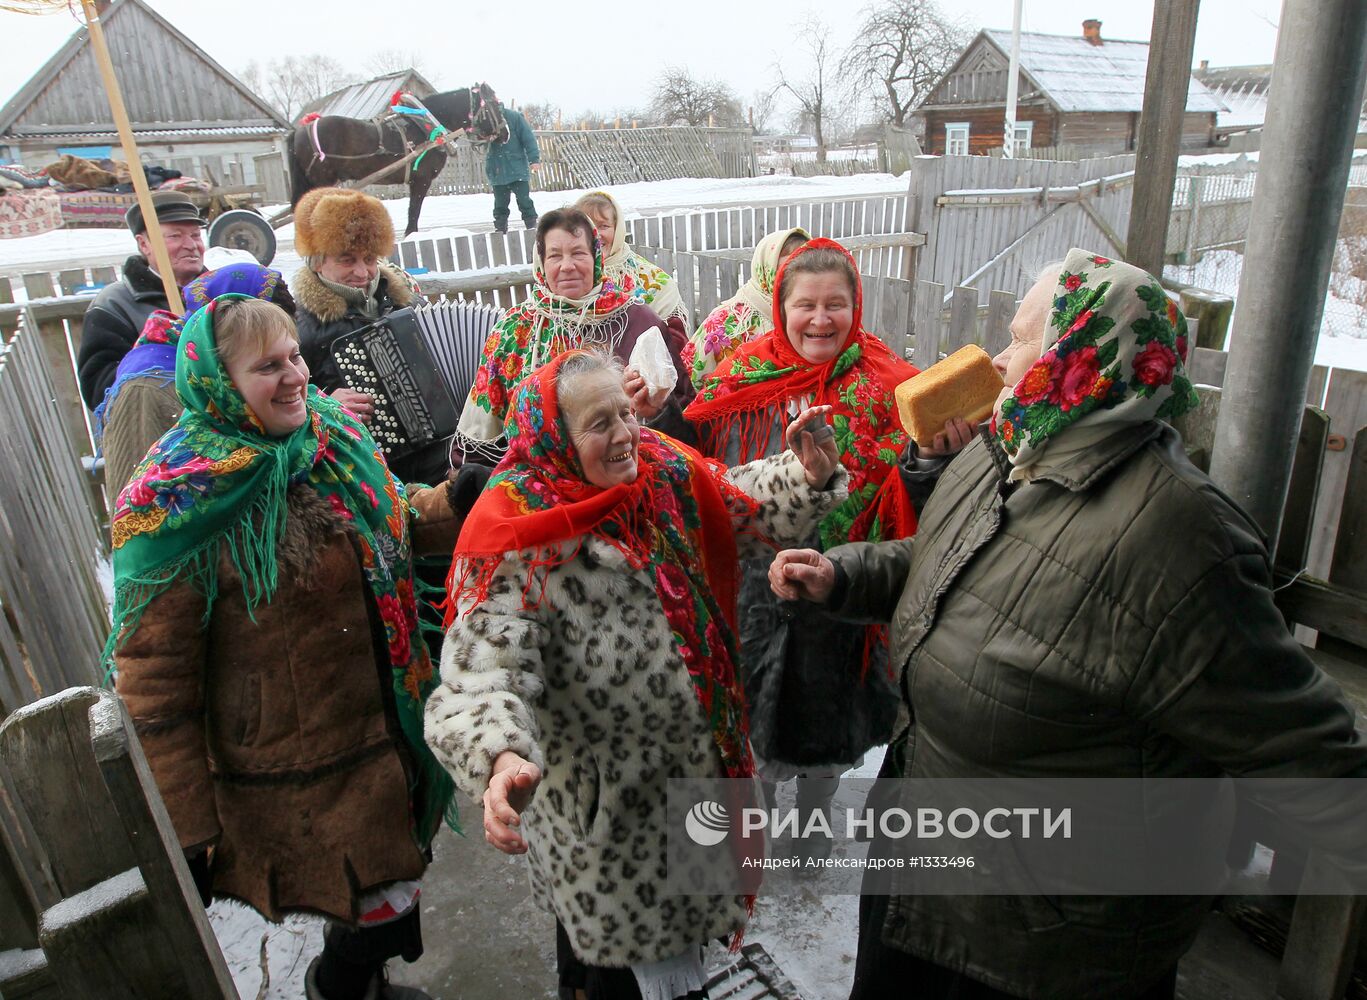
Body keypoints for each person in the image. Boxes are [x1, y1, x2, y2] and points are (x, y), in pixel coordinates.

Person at [767, 248, 1367, 1000]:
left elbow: (1309, 759)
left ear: (1081, 356)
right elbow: (949, 555)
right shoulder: (1012, 446)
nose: (1000, 358)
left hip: (1043, 934)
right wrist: (844, 574)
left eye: (1022, 339)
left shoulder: (1178, 540)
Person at [426, 348, 849, 1000]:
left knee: (632, 945)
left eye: (625, 412)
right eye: (598, 423)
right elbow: (482, 671)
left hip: (692, 776)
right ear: (554, 439)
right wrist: (499, 754)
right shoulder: (518, 535)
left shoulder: (660, 471)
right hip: (608, 818)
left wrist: (805, 473)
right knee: (635, 963)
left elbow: (734, 501)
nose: (624, 432)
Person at [109, 295, 487, 1000]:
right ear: (218, 382)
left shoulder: (331, 438)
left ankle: (360, 981)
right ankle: (338, 988)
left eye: (293, 358)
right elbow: (154, 677)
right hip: (300, 764)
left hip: (393, 720)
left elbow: (393, 521)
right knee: (364, 901)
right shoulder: (176, 498)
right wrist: (186, 827)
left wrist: (455, 503)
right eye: (265, 367)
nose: (292, 378)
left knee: (388, 886)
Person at [685, 237, 921, 852]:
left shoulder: (892, 385)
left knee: (824, 712)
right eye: (806, 305)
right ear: (780, 308)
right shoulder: (742, 376)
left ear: (857, 306)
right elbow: (700, 470)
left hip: (843, 587)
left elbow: (917, 488)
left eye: (835, 304)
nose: (821, 319)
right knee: (753, 705)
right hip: (754, 582)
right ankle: (756, 825)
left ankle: (811, 830)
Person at [454, 207, 693, 466]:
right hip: (536, 477)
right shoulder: (514, 330)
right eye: (555, 256)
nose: (567, 266)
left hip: (625, 469)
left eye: (578, 253)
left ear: (596, 258)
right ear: (541, 264)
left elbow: (683, 419)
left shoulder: (638, 322)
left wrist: (656, 411)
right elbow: (482, 436)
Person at [289, 186, 450, 486]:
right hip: (359, 468)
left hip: (439, 453)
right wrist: (323, 406)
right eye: (347, 260)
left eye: (370, 259)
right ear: (318, 261)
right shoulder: (302, 328)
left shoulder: (408, 304)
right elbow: (281, 404)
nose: (362, 272)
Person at [94, 262, 295, 496]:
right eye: (268, 362)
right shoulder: (146, 390)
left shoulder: (220, 374)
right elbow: (134, 500)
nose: (294, 375)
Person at [78, 190, 208, 409]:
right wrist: (162, 362)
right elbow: (99, 389)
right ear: (144, 244)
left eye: (195, 235)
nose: (191, 244)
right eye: (175, 236)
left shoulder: (221, 294)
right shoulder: (115, 305)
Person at [681, 227, 809, 390]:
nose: (799, 280)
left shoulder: (819, 317)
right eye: (789, 270)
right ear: (766, 270)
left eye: (807, 269)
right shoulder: (727, 322)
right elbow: (690, 382)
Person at [572, 190, 687, 323]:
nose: (596, 234)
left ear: (618, 229)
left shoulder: (650, 278)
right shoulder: (563, 276)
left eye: (603, 226)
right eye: (586, 226)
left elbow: (673, 337)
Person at [485, 104, 540, 233]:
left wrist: (534, 159)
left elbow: (528, 139)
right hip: (497, 169)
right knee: (500, 204)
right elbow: (478, 142)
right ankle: (500, 231)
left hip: (517, 168)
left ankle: (531, 228)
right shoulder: (485, 120)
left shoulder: (514, 117)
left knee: (524, 200)